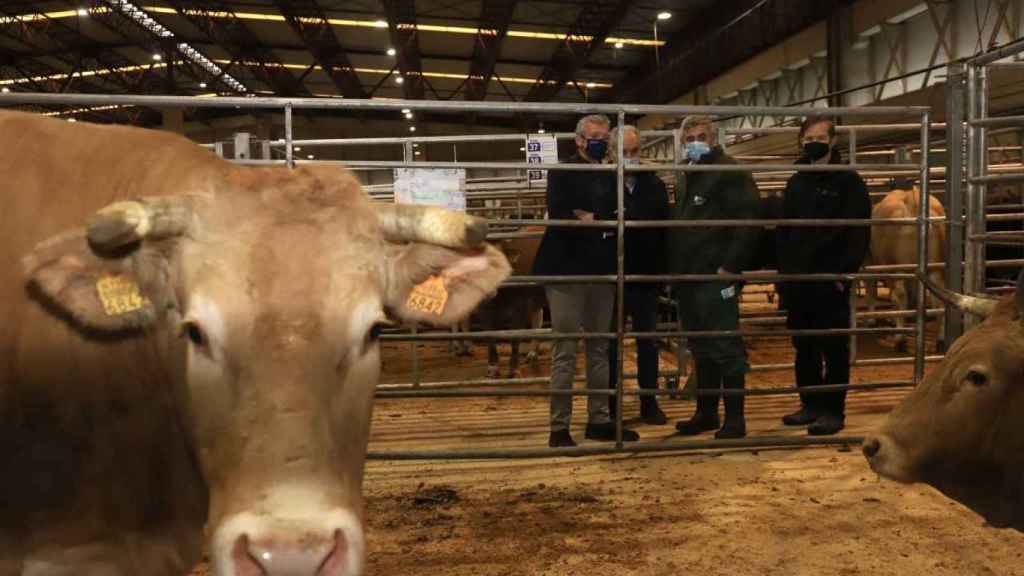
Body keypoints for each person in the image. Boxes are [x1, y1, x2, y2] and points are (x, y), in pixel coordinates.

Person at [533, 114, 640, 448]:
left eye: (604, 137)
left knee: (600, 349)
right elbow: (561, 214)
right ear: (579, 140)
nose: (600, 142)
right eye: (594, 136)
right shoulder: (562, 171)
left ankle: (599, 420)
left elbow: (621, 214)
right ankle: (559, 426)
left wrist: (594, 218)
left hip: (601, 269)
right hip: (565, 270)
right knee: (564, 349)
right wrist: (594, 220)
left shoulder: (612, 173)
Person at [776, 117, 871, 436]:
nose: (812, 143)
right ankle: (811, 404)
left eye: (819, 137)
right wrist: (783, 274)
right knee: (804, 345)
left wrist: (844, 272)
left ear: (832, 141)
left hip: (830, 276)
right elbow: (785, 230)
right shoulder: (797, 181)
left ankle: (833, 410)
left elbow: (858, 232)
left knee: (833, 345)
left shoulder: (849, 182)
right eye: (807, 138)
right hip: (799, 278)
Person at [667, 116, 760, 439]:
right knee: (701, 346)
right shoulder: (688, 175)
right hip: (690, 277)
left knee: (725, 345)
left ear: (715, 138)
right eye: (689, 137)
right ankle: (706, 413)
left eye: (700, 136)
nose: (695, 141)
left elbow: (748, 222)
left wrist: (730, 268)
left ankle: (735, 418)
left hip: (715, 277)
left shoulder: (730, 171)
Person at [605, 125, 670, 425]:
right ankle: (611, 403)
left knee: (648, 341)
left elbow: (663, 227)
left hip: (644, 274)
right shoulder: (602, 184)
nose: (630, 158)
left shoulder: (654, 185)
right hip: (610, 277)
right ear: (611, 153)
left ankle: (649, 401)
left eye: (634, 152)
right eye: (624, 152)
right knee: (610, 343)